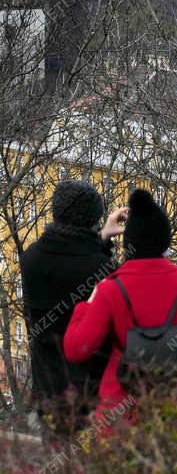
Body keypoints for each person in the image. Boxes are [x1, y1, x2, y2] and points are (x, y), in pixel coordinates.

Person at [64, 189, 177, 428]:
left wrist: (86, 305)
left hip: (121, 415)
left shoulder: (110, 288)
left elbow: (77, 349)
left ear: (129, 244)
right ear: (165, 241)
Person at [20, 180, 128, 435]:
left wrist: (100, 238)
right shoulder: (104, 270)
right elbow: (88, 270)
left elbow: (69, 262)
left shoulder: (30, 259)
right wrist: (102, 241)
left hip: (47, 388)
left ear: (56, 213)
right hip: (88, 391)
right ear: (93, 218)